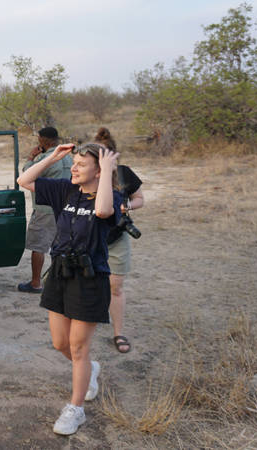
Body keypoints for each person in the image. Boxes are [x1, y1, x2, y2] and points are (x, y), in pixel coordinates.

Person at [17, 142, 122, 436]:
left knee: (78, 348)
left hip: (90, 278)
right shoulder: (65, 190)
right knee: (60, 344)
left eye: (81, 164)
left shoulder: (110, 195)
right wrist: (53, 157)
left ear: (99, 170)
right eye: (73, 163)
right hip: (61, 274)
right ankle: (90, 369)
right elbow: (24, 181)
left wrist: (108, 171)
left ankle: (75, 409)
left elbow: (102, 210)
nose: (73, 168)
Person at [94, 127, 144, 354]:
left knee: (116, 286)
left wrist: (128, 206)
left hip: (117, 237)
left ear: (114, 155)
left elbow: (140, 198)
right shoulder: (88, 173)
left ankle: (118, 332)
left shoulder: (125, 174)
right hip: (93, 236)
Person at [17, 127, 72, 294]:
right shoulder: (67, 158)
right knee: (59, 246)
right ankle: (58, 282)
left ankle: (35, 283)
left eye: (39, 139)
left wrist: (31, 157)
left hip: (44, 208)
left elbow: (27, 173)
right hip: (64, 208)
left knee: (39, 246)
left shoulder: (45, 158)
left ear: (45, 141)